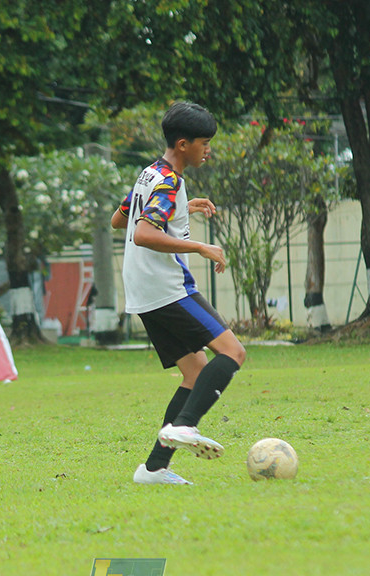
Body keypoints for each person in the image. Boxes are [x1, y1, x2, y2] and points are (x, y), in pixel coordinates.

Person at [110, 101, 246, 485]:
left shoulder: (150, 173)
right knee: (233, 352)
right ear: (184, 144)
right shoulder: (170, 182)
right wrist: (200, 246)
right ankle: (186, 425)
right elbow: (143, 233)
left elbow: (119, 219)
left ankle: (154, 469)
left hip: (142, 289)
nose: (208, 150)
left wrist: (183, 207)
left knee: (195, 370)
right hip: (167, 288)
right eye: (204, 143)